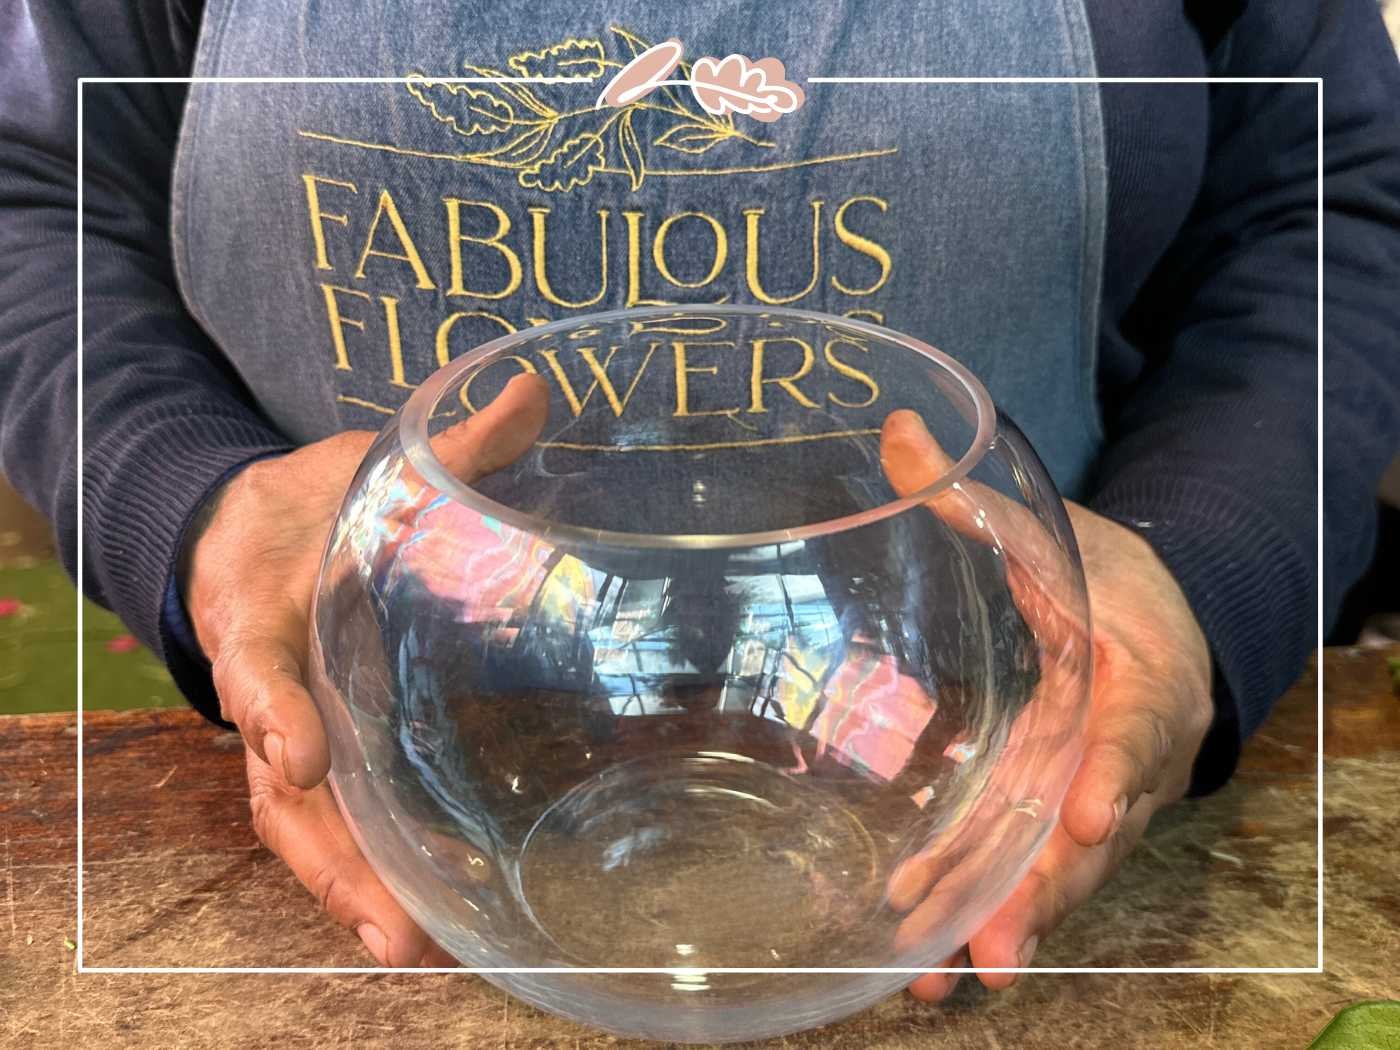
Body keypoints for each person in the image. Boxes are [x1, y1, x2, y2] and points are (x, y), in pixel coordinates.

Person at [2, 0, 1398, 1002]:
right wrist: (183, 497)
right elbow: (34, 186)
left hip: (956, 756)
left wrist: (1202, 561)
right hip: (405, 770)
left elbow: (1326, 195)